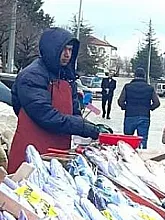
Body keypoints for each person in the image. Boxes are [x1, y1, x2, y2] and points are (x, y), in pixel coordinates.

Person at [8, 27, 100, 174]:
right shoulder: (31, 76)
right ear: (51, 49)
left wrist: (91, 127)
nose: (67, 55)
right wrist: (81, 127)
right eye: (63, 50)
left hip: (58, 151)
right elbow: (45, 115)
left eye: (70, 50)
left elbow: (75, 112)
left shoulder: (68, 77)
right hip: (31, 151)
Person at [118, 67, 160, 149]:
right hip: (144, 116)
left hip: (129, 115)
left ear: (135, 75)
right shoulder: (150, 88)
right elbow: (157, 103)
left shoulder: (127, 87)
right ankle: (141, 157)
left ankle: (127, 157)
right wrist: (149, 108)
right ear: (144, 76)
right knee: (142, 140)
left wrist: (125, 107)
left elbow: (120, 101)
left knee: (127, 140)